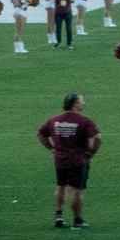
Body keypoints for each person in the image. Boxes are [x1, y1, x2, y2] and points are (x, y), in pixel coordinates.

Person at [37, 93, 100, 230]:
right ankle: (77, 220)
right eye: (81, 100)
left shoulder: (54, 120)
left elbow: (40, 133)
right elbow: (98, 138)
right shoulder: (84, 121)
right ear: (74, 104)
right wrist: (91, 152)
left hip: (60, 159)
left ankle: (59, 214)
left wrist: (51, 148)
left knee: (61, 186)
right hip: (78, 160)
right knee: (77, 190)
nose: (83, 102)